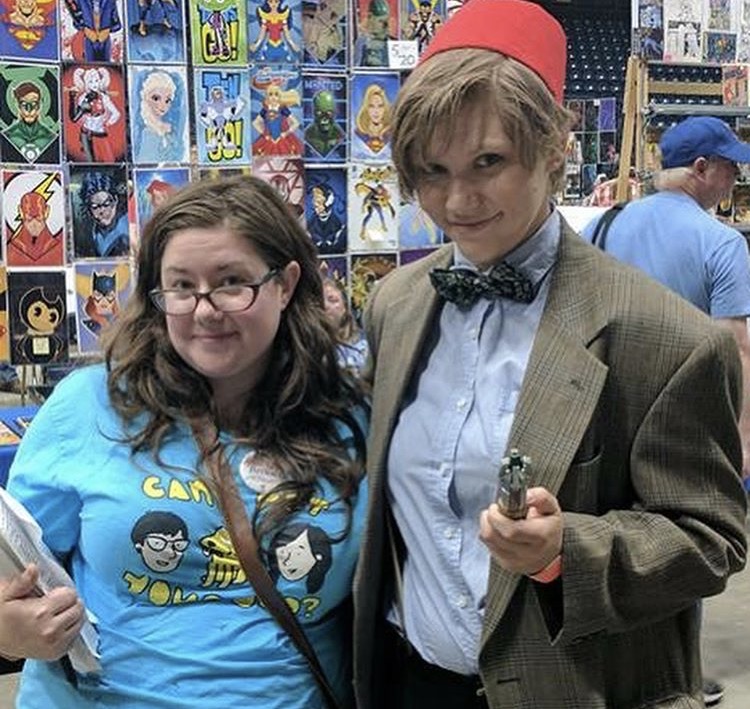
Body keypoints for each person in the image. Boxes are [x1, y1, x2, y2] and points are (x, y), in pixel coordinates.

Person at [351, 2, 748, 709]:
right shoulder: (397, 305)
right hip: (408, 681)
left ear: (553, 147)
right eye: (432, 170)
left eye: (489, 162)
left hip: (571, 689)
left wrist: (569, 550)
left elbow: (712, 538)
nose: (458, 199)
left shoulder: (666, 337)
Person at [0, 175, 368, 708]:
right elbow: (16, 565)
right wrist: (9, 633)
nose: (205, 309)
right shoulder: (90, 405)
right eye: (181, 286)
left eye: (231, 282)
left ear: (285, 284)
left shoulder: (350, 416)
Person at [581, 115, 750, 708]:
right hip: (684, 424)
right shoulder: (721, 243)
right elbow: (736, 348)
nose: (734, 181)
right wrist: (742, 436)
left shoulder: (606, 225)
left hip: (602, 412)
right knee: (683, 543)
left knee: (609, 538)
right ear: (701, 169)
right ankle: (677, 675)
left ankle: (612, 666)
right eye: (729, 169)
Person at [77, 170, 129, 258]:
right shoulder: (91, 234)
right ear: (89, 209)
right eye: (95, 207)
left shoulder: (128, 226)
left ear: (115, 200)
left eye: (106, 204)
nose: (102, 210)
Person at [323, 277, 369, 376]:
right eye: (318, 301)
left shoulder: (364, 344)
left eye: (332, 300)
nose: (325, 306)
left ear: (345, 307)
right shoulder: (306, 346)